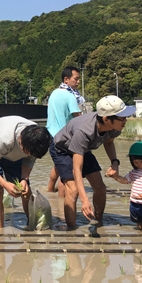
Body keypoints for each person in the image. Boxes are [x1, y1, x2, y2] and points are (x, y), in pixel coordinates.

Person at [50, 95, 135, 229]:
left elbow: (109, 142)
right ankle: (71, 229)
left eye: (126, 117)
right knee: (73, 190)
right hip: (62, 149)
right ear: (106, 119)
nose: (125, 121)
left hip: (83, 149)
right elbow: (77, 169)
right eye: (122, 118)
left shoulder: (114, 127)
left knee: (100, 188)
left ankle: (98, 222)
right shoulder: (84, 131)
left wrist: (114, 163)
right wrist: (84, 199)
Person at [0, 116, 52, 228]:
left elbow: (29, 160)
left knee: (25, 190)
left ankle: (32, 225)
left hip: (13, 154)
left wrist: (24, 178)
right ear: (20, 139)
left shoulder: (37, 140)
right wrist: (5, 184)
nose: (30, 155)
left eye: (32, 154)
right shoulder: (4, 139)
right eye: (27, 152)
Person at [106, 142, 142, 233]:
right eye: (134, 162)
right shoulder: (134, 171)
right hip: (134, 205)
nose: (137, 165)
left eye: (140, 162)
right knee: (139, 226)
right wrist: (115, 177)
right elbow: (125, 180)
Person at [47, 66, 83, 197]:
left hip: (51, 135)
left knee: (59, 165)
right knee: (67, 172)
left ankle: (50, 190)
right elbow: (78, 116)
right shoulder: (69, 95)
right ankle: (62, 204)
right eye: (76, 79)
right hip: (64, 138)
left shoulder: (54, 93)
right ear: (66, 79)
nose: (78, 82)